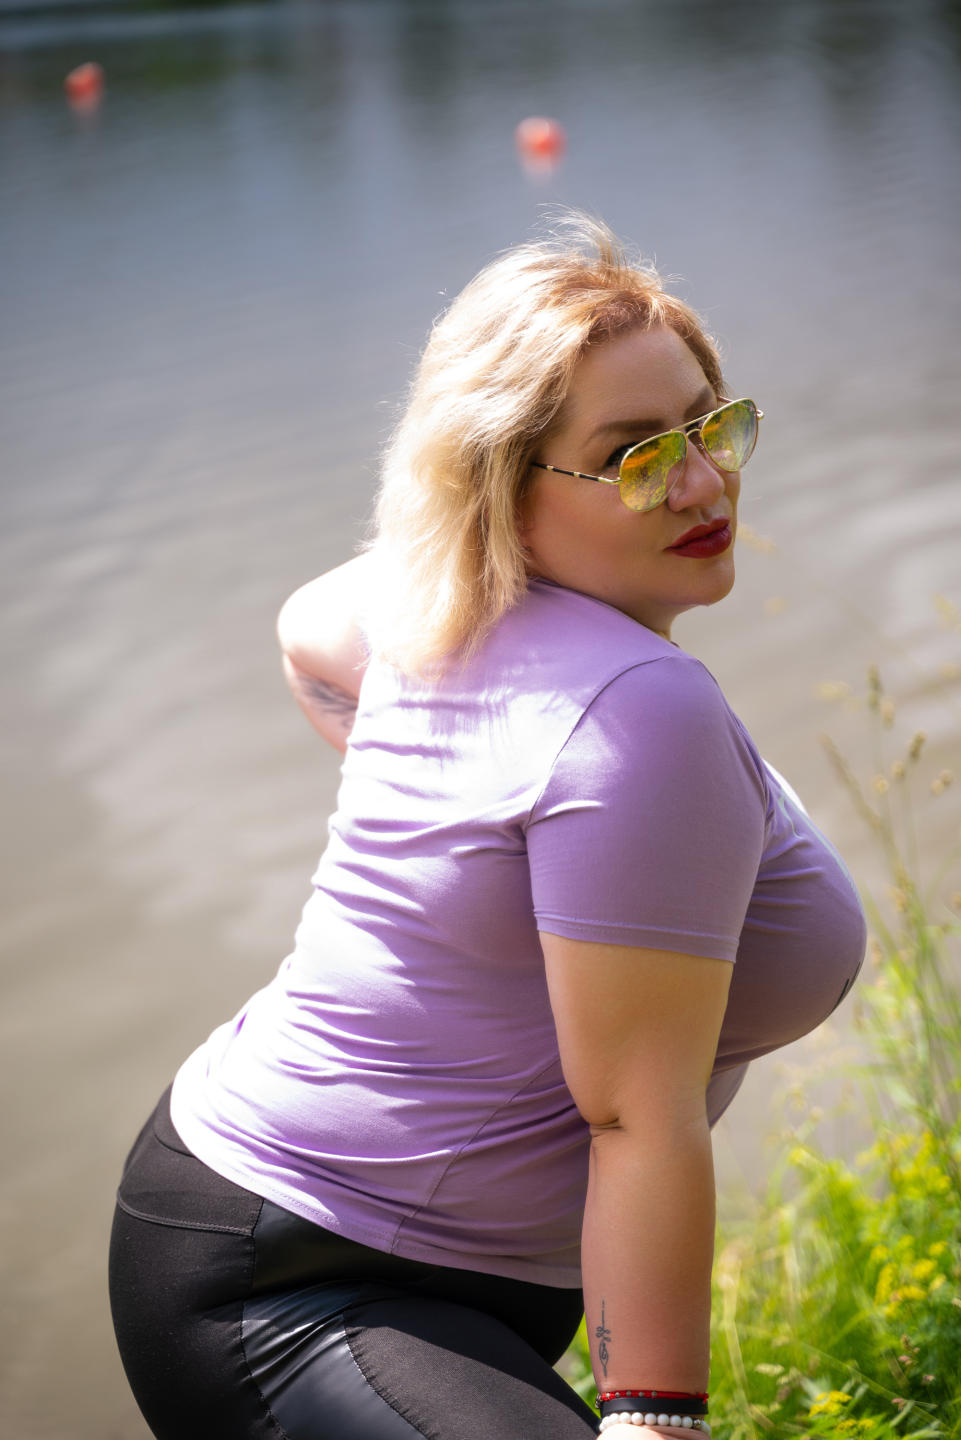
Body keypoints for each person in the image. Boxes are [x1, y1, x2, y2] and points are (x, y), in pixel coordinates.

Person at [108, 214, 867, 1440]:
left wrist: (492, 852)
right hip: (292, 1275)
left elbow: (310, 627)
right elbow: (635, 1118)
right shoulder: (636, 702)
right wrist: (655, 1419)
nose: (701, 481)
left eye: (708, 424)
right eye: (632, 455)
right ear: (500, 493)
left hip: (415, 1267)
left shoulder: (439, 607)